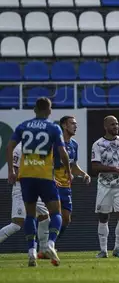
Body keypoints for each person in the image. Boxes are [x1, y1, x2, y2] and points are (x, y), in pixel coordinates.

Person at [5, 97, 71, 266]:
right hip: (44, 176)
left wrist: (11, 171)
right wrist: (68, 171)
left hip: (26, 176)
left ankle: (31, 251)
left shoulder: (23, 126)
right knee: (56, 213)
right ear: (49, 111)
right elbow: (62, 153)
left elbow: (9, 147)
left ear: (35, 109)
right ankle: (50, 244)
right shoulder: (53, 127)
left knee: (30, 215)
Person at [92, 116, 119, 259]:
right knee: (103, 217)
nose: (116, 126)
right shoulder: (98, 144)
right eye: (112, 124)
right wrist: (116, 169)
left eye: (117, 123)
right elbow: (95, 166)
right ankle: (103, 250)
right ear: (105, 126)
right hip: (104, 185)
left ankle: (118, 248)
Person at [0, 143, 50, 252]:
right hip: (21, 188)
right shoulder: (18, 149)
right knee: (17, 224)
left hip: (36, 187)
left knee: (45, 217)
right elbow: (14, 172)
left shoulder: (39, 148)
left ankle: (43, 250)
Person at [51, 116, 90, 245]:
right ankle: (46, 244)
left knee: (66, 219)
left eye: (76, 124)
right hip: (53, 184)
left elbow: (73, 166)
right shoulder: (55, 143)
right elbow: (47, 163)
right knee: (51, 216)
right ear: (64, 125)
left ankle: (51, 243)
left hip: (66, 186)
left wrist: (83, 174)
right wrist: (51, 178)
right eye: (72, 123)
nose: (75, 126)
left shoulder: (74, 145)